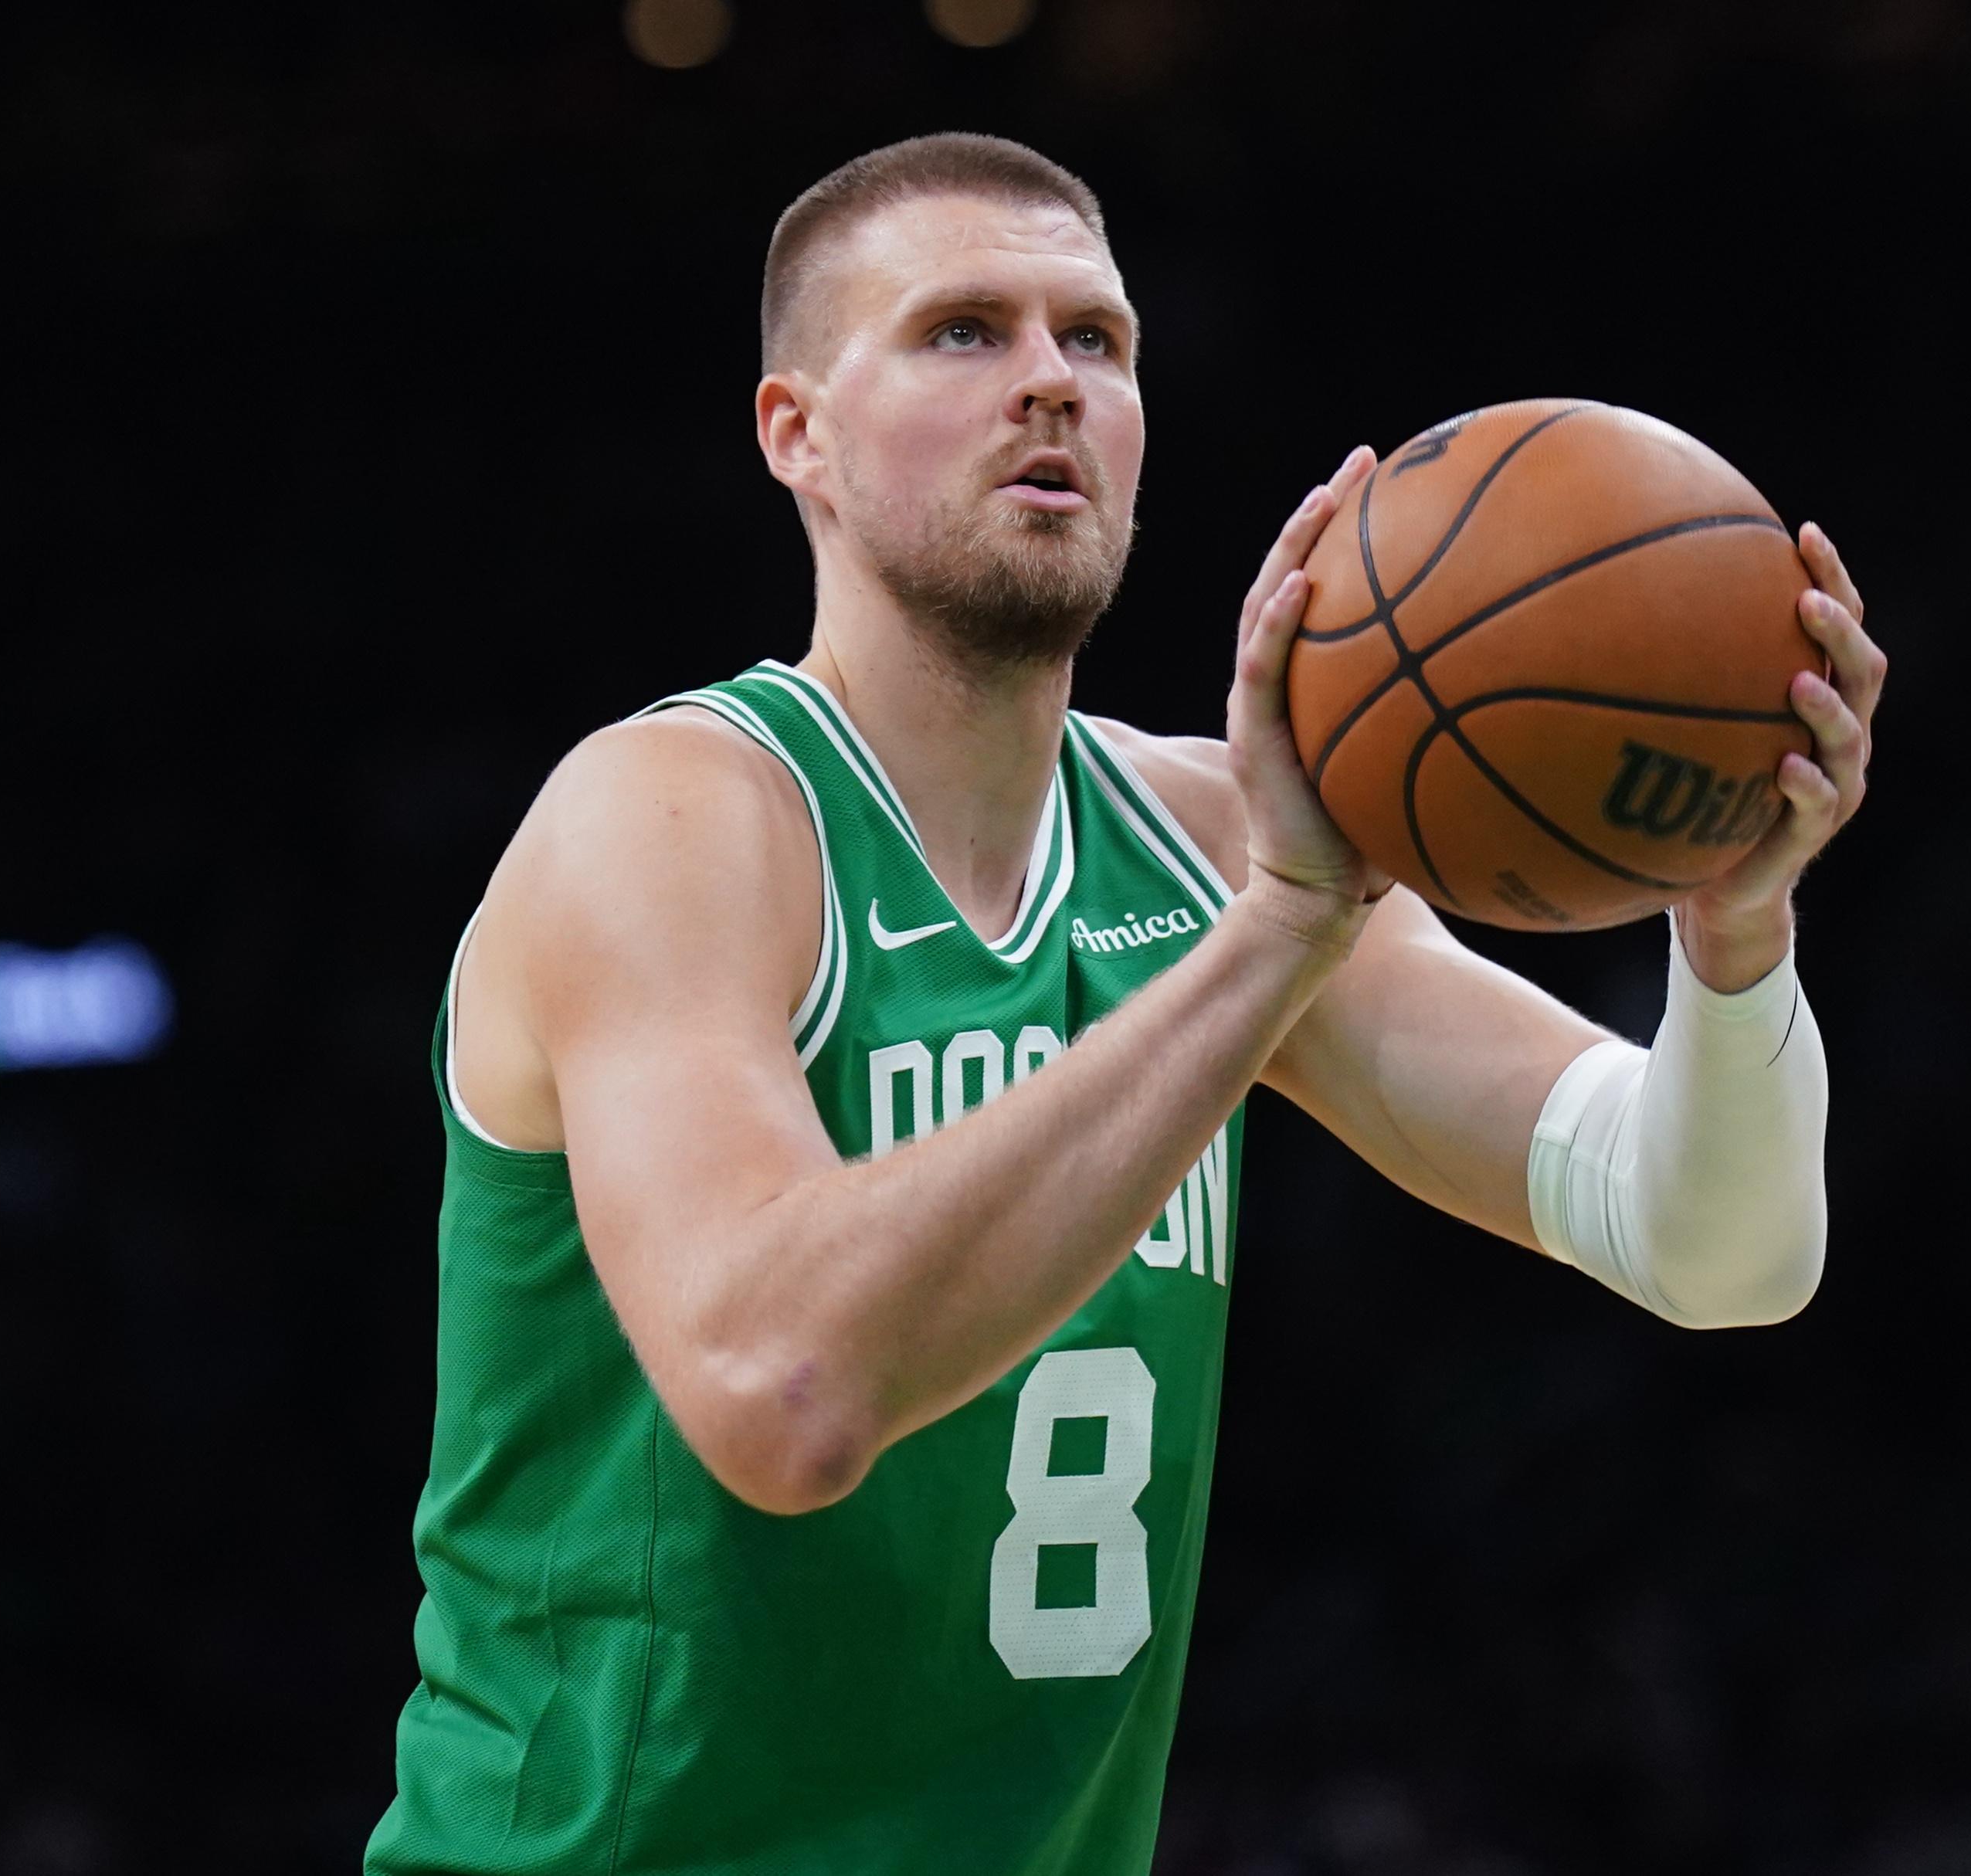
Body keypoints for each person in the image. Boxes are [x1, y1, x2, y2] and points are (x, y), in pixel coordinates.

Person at [366, 131, 1884, 1876]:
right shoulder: (677, 817)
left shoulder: (1216, 843)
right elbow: (779, 1388)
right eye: (962, 331)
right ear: (798, 434)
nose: (1050, 383)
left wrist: (1732, 940)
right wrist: (1274, 939)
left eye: (1095, 340)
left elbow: (1715, 1249)